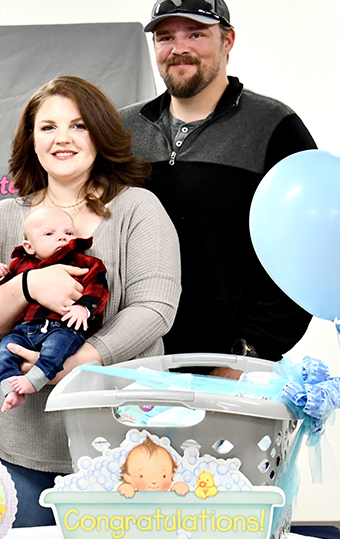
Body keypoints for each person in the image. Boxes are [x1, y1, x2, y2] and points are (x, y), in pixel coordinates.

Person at [0, 76, 181, 527]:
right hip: (17, 444)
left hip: (123, 446)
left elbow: (155, 308)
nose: (62, 138)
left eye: (78, 126)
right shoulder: (4, 218)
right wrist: (26, 287)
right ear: (31, 140)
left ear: (100, 134)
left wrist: (75, 361)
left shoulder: (139, 209)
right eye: (48, 127)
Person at [121, 0, 316, 362]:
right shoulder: (122, 131)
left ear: (228, 41)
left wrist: (251, 352)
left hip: (233, 370)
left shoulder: (274, 128)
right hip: (132, 364)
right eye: (165, 37)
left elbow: (305, 254)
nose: (179, 48)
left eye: (196, 34)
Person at [0, 207, 108, 411]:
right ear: (29, 246)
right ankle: (10, 389)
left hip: (63, 327)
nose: (61, 238)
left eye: (68, 233)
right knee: (4, 351)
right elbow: (8, 295)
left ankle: (35, 380)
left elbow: (97, 288)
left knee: (55, 349)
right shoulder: (20, 266)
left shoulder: (86, 263)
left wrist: (83, 308)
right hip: (25, 328)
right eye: (50, 234)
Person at [117, 438, 190, 498]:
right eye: (141, 476)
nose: (154, 481)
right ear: (127, 478)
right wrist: (125, 488)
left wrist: (180, 488)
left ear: (172, 475)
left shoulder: (167, 497)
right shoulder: (130, 491)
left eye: (163, 476)